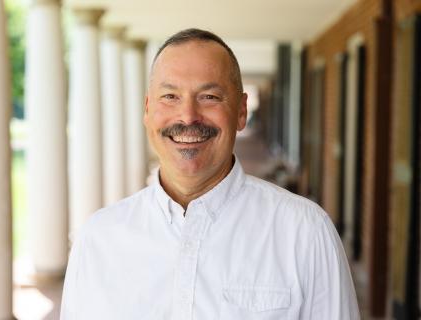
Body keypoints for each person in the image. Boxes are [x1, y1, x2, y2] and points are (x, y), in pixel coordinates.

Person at [60, 28, 360, 319]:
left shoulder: (305, 232)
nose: (188, 116)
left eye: (210, 97)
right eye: (170, 96)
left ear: (241, 111)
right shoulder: (98, 238)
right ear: (148, 110)